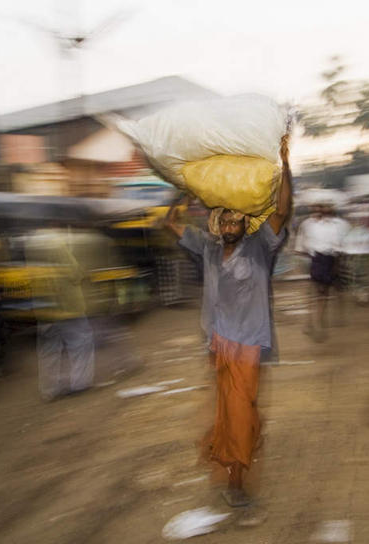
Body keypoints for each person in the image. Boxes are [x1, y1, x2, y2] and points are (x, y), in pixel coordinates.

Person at [165, 136, 292, 507]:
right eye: (225, 220)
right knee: (230, 410)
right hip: (219, 342)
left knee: (237, 411)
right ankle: (242, 445)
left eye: (237, 219)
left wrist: (285, 162)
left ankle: (236, 482)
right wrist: (184, 192)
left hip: (249, 343)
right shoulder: (207, 247)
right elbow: (169, 222)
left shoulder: (260, 247)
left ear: (245, 223)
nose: (231, 225)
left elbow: (281, 210)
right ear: (218, 224)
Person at [25, 226, 95, 401]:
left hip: (44, 305)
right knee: (80, 342)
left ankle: (49, 390)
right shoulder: (56, 243)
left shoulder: (30, 245)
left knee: (48, 349)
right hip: (67, 305)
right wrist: (82, 272)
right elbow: (74, 272)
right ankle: (80, 383)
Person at [294, 202, 350, 341]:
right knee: (320, 293)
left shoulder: (328, 225)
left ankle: (315, 323)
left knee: (320, 293)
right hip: (317, 259)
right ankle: (316, 324)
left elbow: (336, 247)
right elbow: (300, 245)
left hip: (323, 259)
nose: (319, 212)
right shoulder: (311, 224)